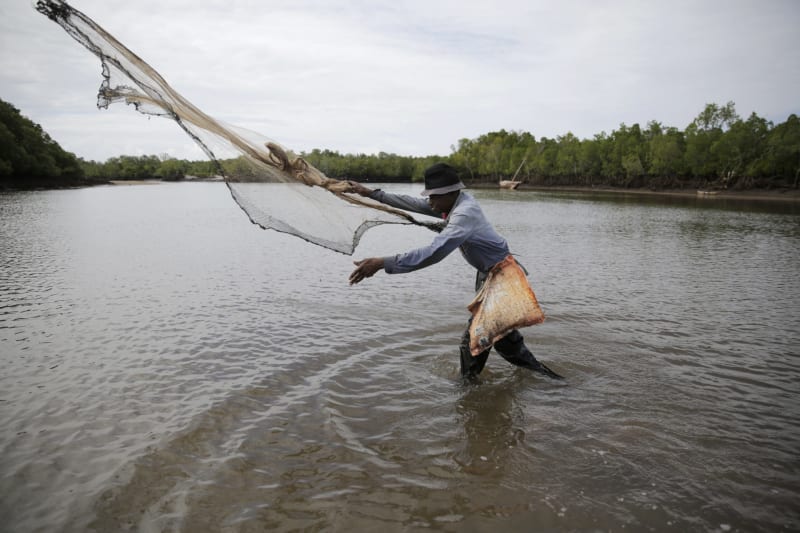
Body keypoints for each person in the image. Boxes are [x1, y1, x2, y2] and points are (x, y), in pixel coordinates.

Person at [346, 162, 562, 381]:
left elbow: (434, 252)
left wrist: (383, 262)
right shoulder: (452, 204)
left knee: (474, 339)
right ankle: (550, 383)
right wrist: (372, 193)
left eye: (433, 197)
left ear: (449, 193)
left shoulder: (464, 215)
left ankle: (467, 392)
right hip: (491, 276)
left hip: (502, 280)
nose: (430, 203)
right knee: (504, 342)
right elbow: (416, 204)